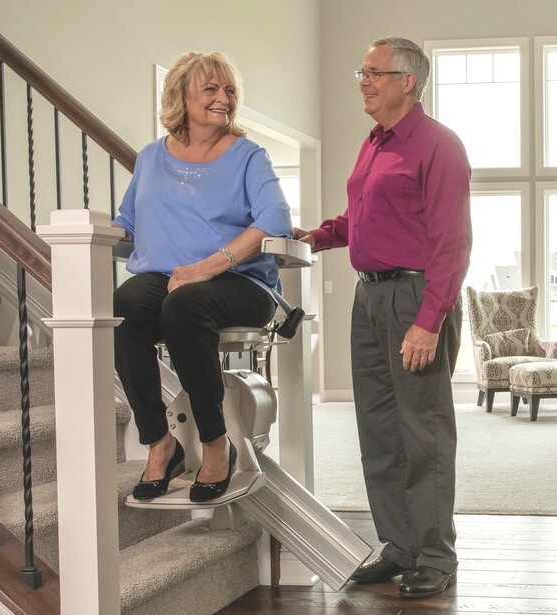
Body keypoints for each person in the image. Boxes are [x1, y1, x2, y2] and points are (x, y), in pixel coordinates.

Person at [294, 37, 471, 599]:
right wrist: (315, 237)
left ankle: (437, 555)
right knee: (377, 427)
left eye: (373, 73)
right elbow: (361, 217)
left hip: (416, 296)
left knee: (424, 431)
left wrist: (429, 319)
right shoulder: (374, 143)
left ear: (407, 80)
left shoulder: (438, 146)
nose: (363, 82)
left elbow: (453, 245)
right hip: (368, 298)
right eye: (361, 72)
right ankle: (399, 546)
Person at [113, 51, 292, 503]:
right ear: (181, 97)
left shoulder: (249, 156)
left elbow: (275, 219)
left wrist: (207, 267)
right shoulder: (151, 157)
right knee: (127, 305)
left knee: (185, 305)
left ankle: (215, 443)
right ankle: (160, 443)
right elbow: (128, 222)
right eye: (210, 89)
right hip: (170, 278)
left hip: (241, 282)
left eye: (229, 90)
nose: (223, 99)